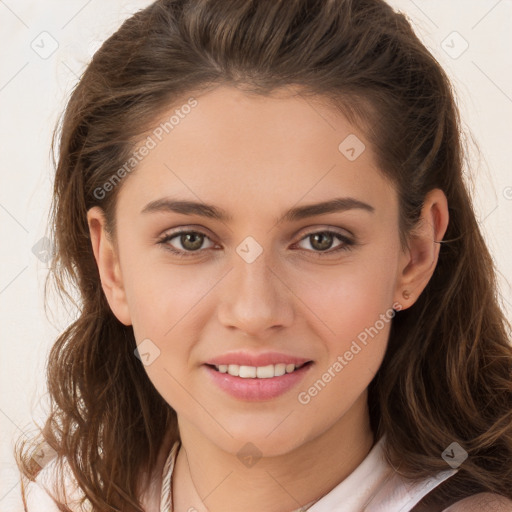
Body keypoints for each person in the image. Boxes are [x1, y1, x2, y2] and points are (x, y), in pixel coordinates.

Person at [15, 0, 512, 511]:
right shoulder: (59, 498)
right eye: (190, 239)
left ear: (415, 254)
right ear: (113, 267)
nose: (253, 312)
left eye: (323, 240)